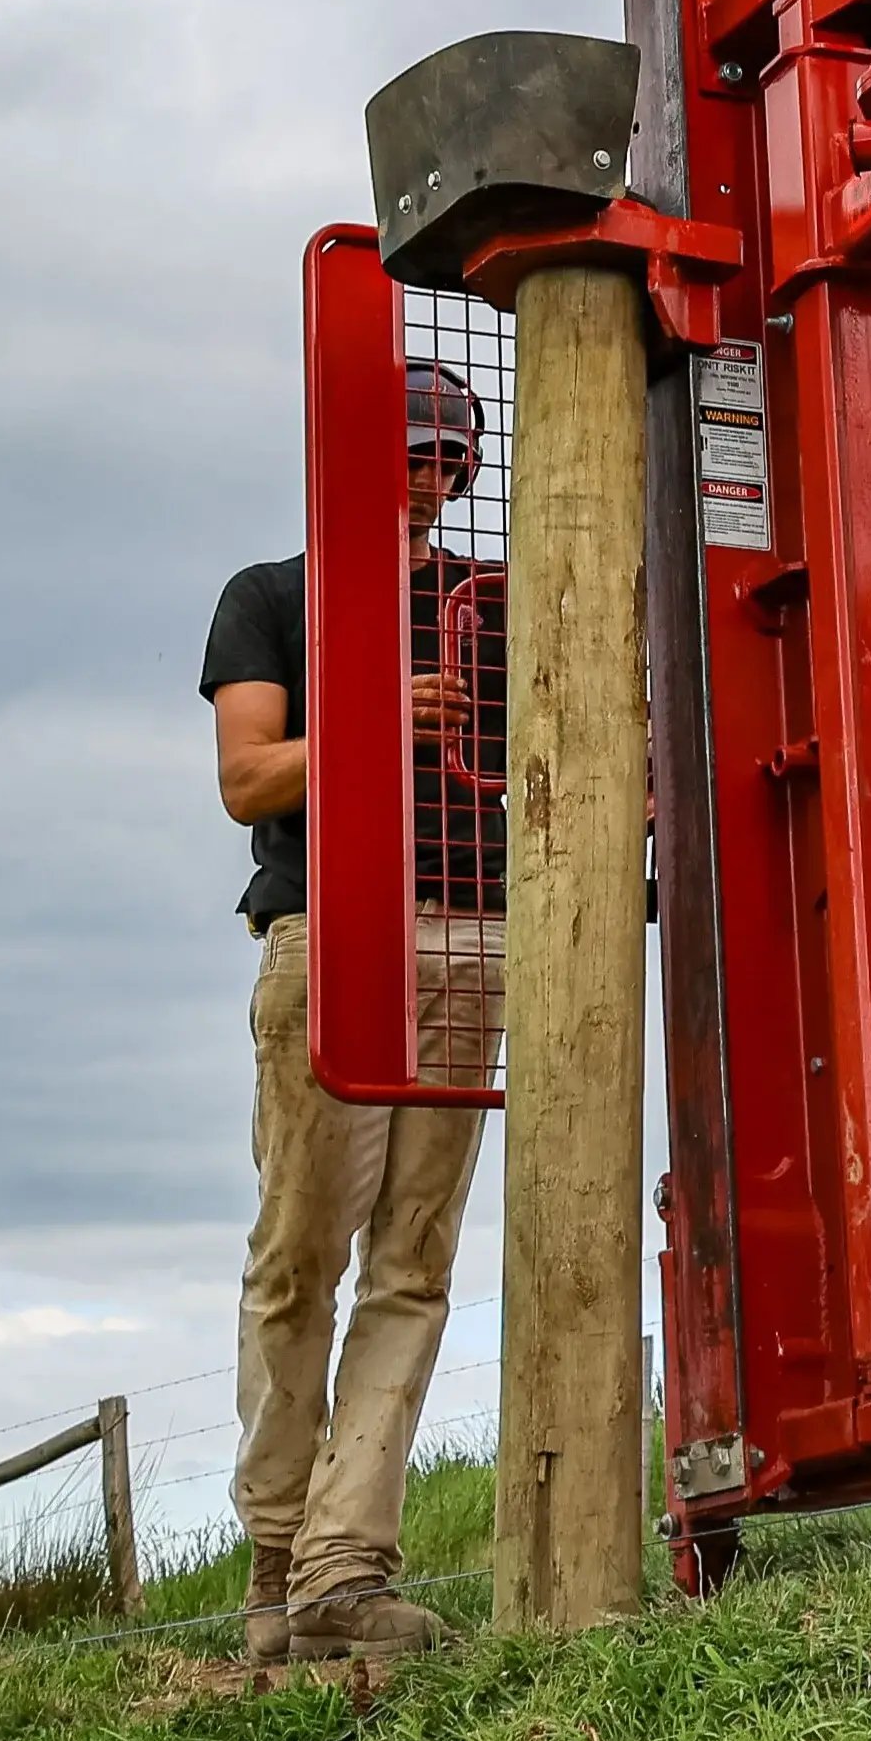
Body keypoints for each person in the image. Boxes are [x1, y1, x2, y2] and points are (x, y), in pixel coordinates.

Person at [198, 355, 509, 1662]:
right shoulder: (271, 598)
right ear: (354, 460)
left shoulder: (491, 604)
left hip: (466, 931)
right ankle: (273, 1551)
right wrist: (381, 719)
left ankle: (341, 1564)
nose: (434, 475)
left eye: (455, 456)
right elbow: (248, 777)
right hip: (325, 931)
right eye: (415, 451)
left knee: (414, 1262)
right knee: (297, 1254)